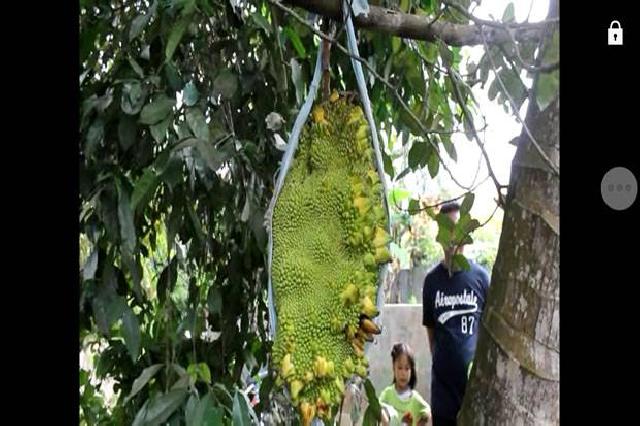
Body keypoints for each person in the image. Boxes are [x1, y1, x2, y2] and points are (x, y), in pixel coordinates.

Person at [422, 201, 490, 426]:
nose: (452, 235)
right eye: (446, 228)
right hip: (443, 395)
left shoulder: (481, 278)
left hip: (474, 391)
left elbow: (488, 330)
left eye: (457, 227)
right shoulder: (431, 282)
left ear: (465, 232)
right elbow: (431, 333)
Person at [379, 343, 431, 426]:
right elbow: (377, 407)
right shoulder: (388, 394)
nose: (403, 373)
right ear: (393, 368)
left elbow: (427, 412)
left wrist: (420, 422)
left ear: (411, 370)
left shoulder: (415, 398)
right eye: (400, 368)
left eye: (407, 369)